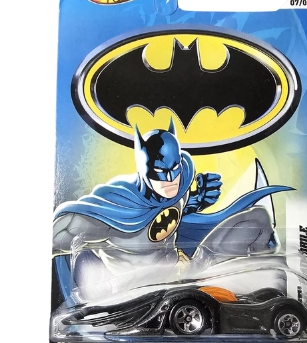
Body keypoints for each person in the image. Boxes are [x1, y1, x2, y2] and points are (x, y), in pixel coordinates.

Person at [53, 120, 291, 302]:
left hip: (190, 273)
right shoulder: (116, 207)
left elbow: (176, 212)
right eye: (160, 172)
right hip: (140, 295)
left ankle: (267, 289)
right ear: (144, 169)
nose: (170, 179)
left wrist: (198, 200)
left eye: (174, 168)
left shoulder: (181, 184)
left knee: (257, 218)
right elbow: (61, 234)